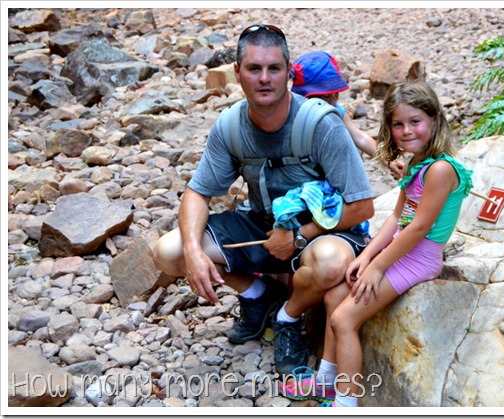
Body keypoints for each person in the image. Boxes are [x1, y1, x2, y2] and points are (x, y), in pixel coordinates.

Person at [152, 24, 375, 375]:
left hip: (321, 231)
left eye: (274, 69)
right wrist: (195, 252)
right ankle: (258, 295)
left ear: (288, 73)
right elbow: (197, 192)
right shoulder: (229, 128)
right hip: (261, 225)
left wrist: (300, 235)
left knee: (331, 263)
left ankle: (288, 317)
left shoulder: (321, 125)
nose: (265, 78)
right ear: (237, 74)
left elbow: (362, 206)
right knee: (170, 251)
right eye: (254, 69)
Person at [278, 80, 473, 406]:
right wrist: (365, 257)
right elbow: (396, 218)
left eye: (415, 121)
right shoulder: (415, 162)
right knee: (335, 294)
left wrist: (377, 267)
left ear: (434, 120)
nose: (406, 131)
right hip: (398, 249)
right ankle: (326, 379)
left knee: (344, 319)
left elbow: (418, 228)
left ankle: (346, 402)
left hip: (419, 257)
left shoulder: (439, 170)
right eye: (398, 124)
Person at [291, 51, 405, 179]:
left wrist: (387, 160)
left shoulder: (335, 110)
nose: (332, 100)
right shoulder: (294, 113)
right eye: (325, 97)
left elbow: (359, 137)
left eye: (335, 94)